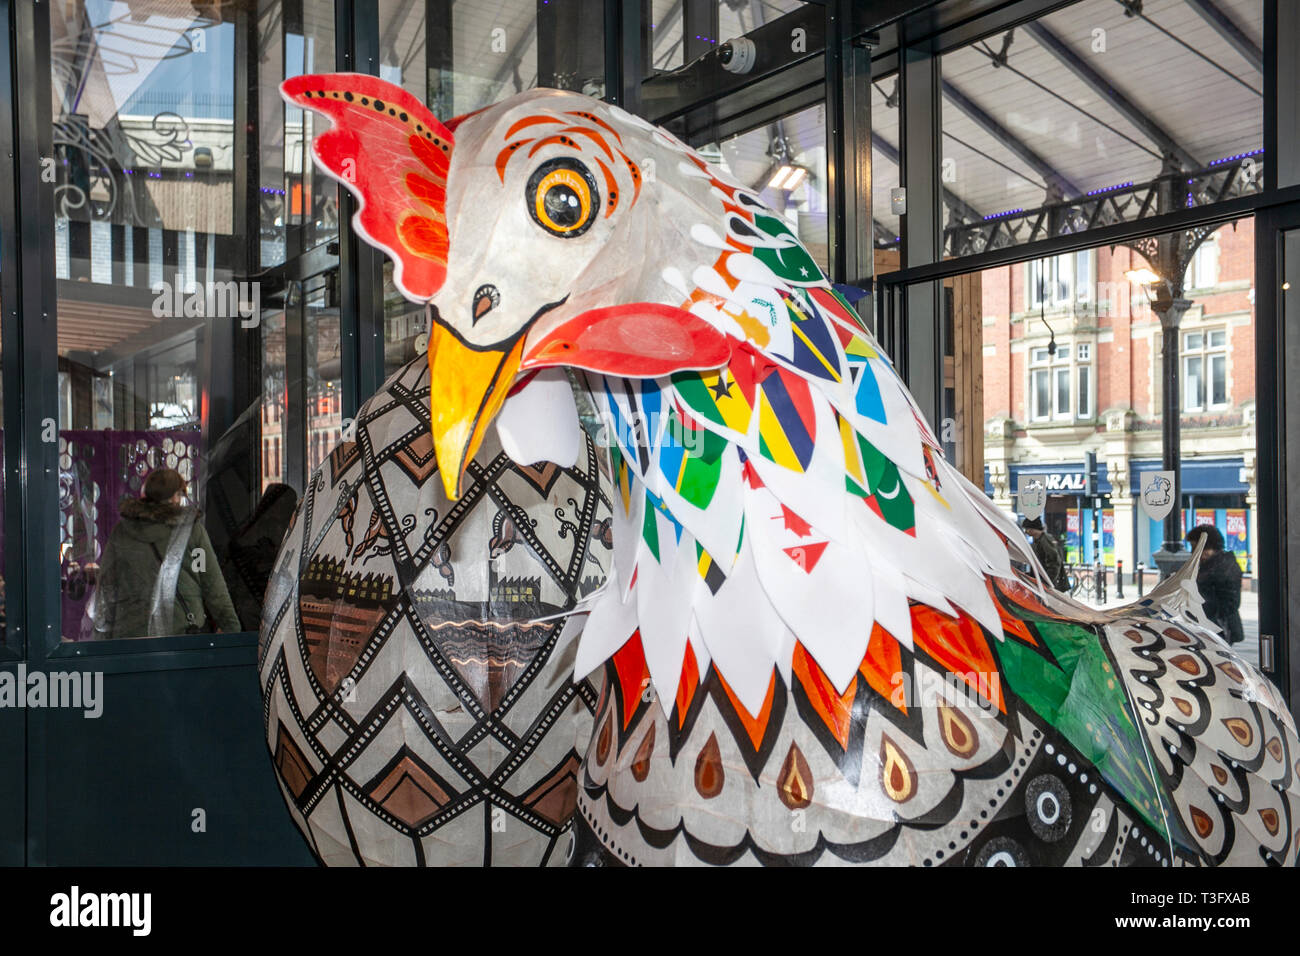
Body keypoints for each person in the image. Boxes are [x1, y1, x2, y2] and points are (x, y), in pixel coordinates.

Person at [88, 468, 241, 640]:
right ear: (175, 496)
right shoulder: (191, 531)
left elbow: (107, 587)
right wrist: (231, 630)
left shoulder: (121, 531)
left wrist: (102, 639)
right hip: (181, 637)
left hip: (129, 639)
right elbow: (212, 586)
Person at [1186, 524, 1244, 644]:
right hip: (1209, 627)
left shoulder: (1223, 567)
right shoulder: (1210, 565)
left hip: (1218, 629)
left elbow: (1230, 603)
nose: (1192, 552)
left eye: (1195, 547)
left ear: (1207, 547)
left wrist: (1203, 610)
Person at [1022, 516, 1068, 592]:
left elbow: (1054, 562)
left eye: (1027, 529)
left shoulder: (1045, 540)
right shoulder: (1038, 540)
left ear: (1033, 529)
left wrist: (1047, 582)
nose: (1026, 532)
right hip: (1044, 582)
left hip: (1049, 584)